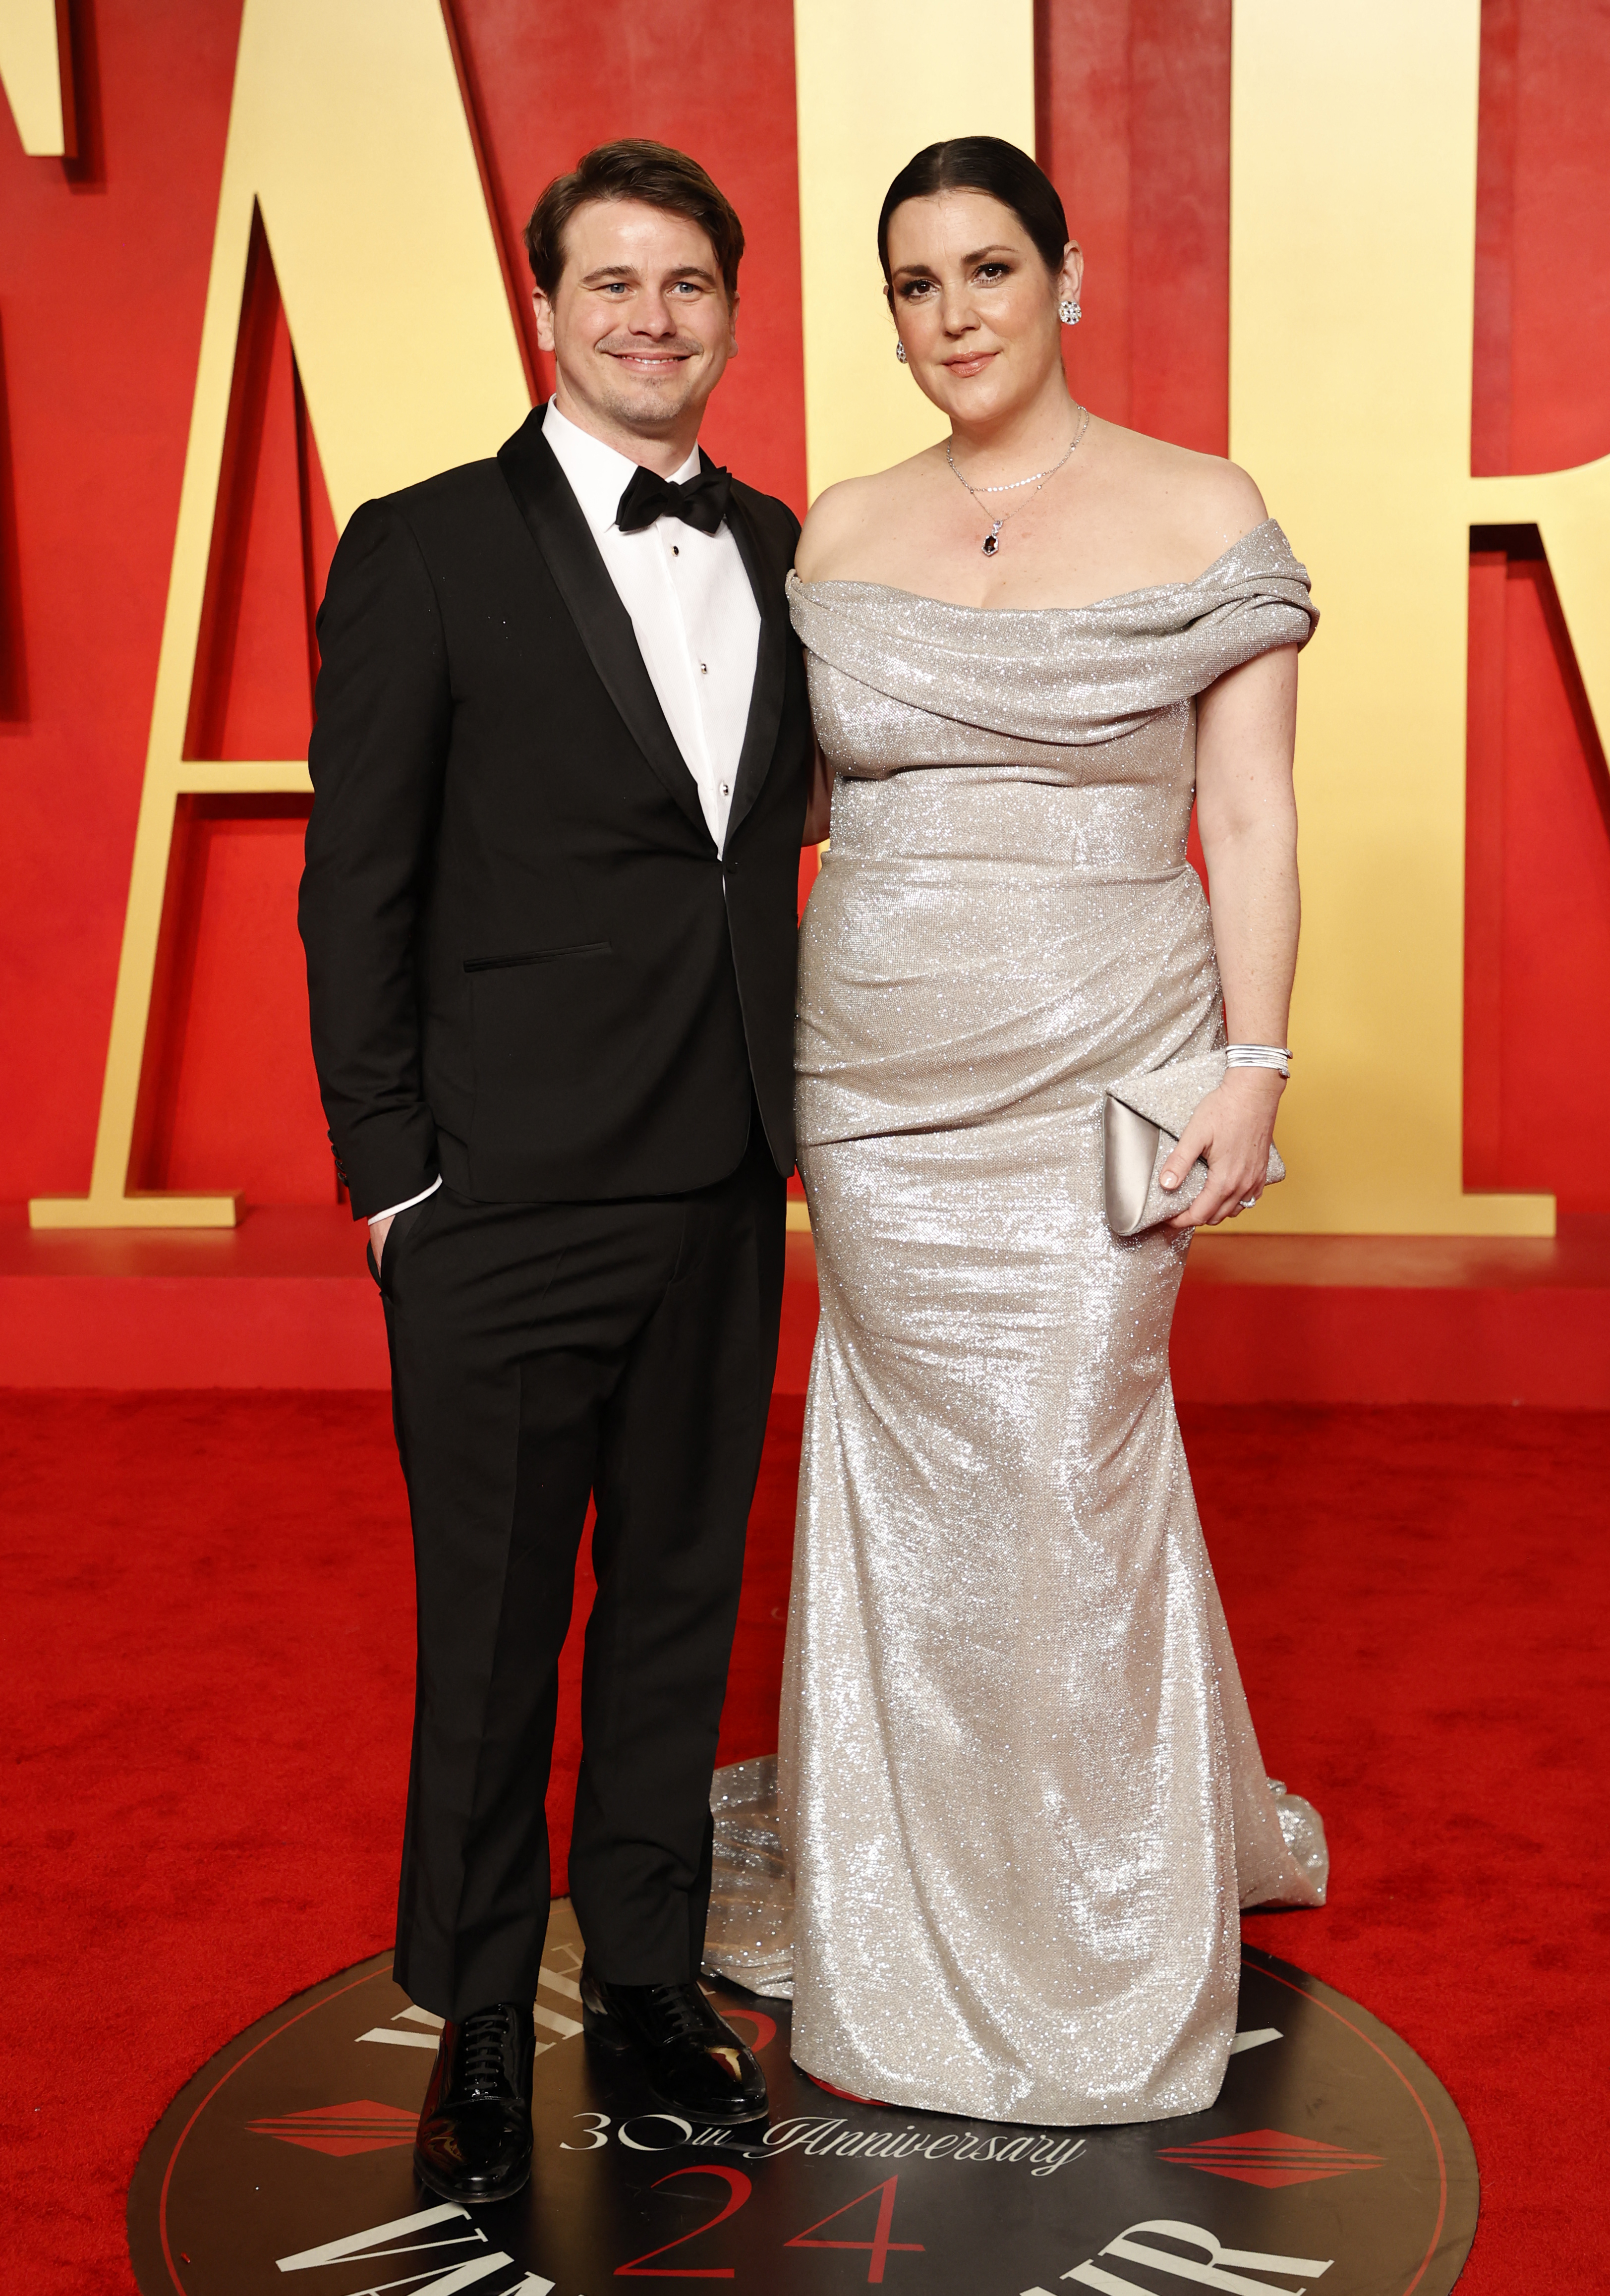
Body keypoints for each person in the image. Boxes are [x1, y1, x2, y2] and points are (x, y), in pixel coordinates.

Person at [778, 136, 1326, 2125]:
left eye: (987, 269)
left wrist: (1251, 1061)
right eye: (912, 284)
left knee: (1061, 1477)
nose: (952, 318)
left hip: (1104, 1049)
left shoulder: (1199, 504)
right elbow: (784, 818)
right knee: (914, 1499)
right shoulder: (836, 528)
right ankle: (898, 1934)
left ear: (1067, 276)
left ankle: (1092, 1947)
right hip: (876, 1090)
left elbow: (1248, 809)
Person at [299, 139, 819, 2204]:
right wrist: (393, 1181)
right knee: (495, 1624)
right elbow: (360, 892)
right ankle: (482, 2006)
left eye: (684, 285)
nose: (648, 319)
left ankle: (649, 1991)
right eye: (610, 284)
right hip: (497, 1199)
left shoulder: (780, 541)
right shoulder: (420, 546)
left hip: (716, 1179)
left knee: (677, 1612)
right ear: (546, 308)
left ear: (724, 308)